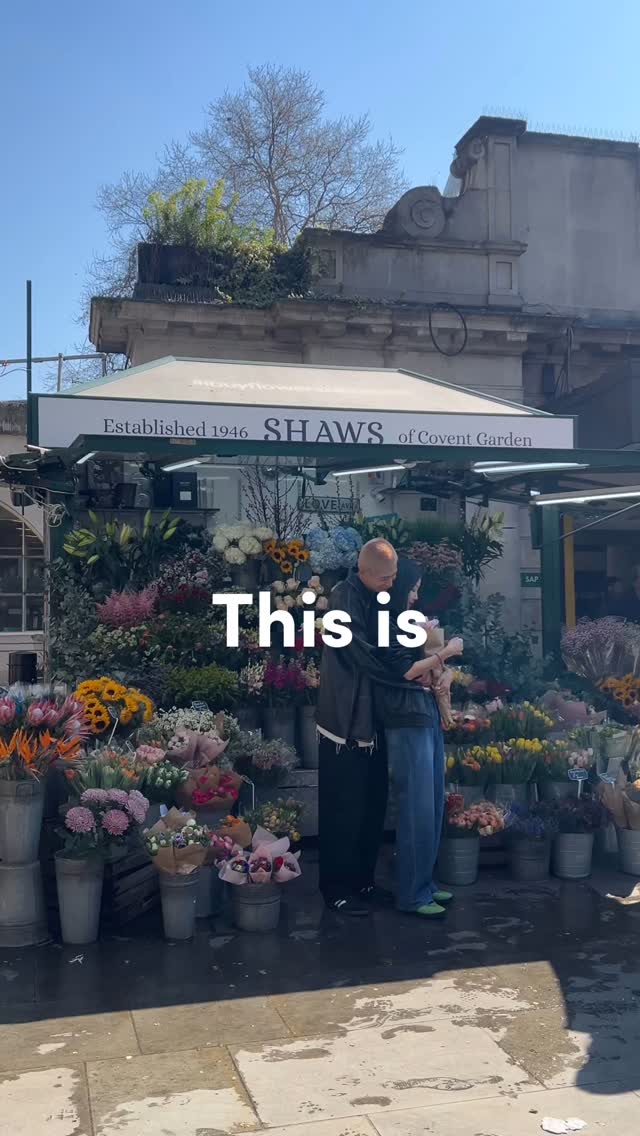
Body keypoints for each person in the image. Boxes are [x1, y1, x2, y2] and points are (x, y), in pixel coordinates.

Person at [316, 539, 442, 916]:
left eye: (393, 577)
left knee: (372, 806)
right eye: (385, 578)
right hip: (345, 720)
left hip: (373, 719)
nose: (391, 583)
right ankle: (336, 890)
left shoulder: (378, 595)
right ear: (364, 571)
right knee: (344, 807)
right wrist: (407, 675)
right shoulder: (343, 597)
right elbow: (364, 655)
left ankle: (364, 882)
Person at [373, 558, 463, 917]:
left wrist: (445, 673)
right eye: (411, 587)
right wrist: (446, 652)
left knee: (431, 805)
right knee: (416, 808)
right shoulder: (387, 622)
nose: (414, 595)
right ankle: (412, 893)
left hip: (422, 713)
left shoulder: (405, 620)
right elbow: (405, 669)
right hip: (406, 717)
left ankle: (425, 884)